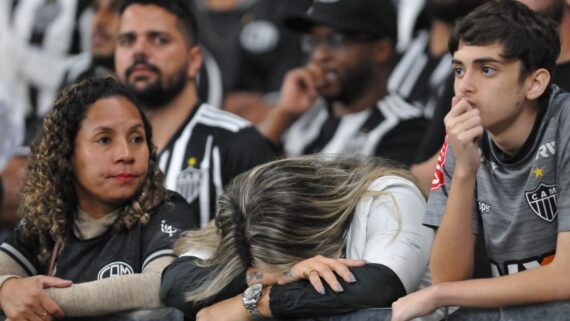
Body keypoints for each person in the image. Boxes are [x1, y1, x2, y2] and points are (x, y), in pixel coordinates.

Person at [390, 1, 570, 320]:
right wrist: (464, 171)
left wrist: (437, 293)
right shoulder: (463, 134)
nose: (465, 87)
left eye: (487, 69)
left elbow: (565, 278)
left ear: (535, 82)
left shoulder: (565, 125)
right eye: (459, 69)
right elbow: (449, 277)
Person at [0, 77, 197, 319]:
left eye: (136, 138)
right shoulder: (48, 222)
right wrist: (6, 287)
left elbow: (164, 285)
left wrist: (39, 300)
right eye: (104, 139)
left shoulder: (167, 210)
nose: (126, 154)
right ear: (66, 153)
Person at [161, 155, 434, 320]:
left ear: (316, 230)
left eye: (286, 263)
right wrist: (275, 275)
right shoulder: (248, 210)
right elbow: (176, 283)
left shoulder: (389, 194)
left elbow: (382, 285)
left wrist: (252, 304)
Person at [114, 0, 275, 227]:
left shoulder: (238, 144)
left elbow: (279, 255)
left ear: (194, 60)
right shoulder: (105, 149)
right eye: (127, 40)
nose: (139, 50)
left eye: (159, 39)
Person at [257, 0, 427, 166]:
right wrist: (284, 113)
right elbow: (242, 173)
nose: (319, 55)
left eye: (336, 40)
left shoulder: (406, 129)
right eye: (313, 41)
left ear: (380, 50)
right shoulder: (305, 112)